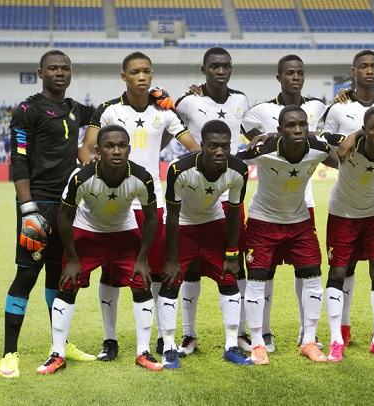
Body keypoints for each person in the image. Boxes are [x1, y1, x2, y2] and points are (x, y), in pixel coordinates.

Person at [78, 51, 200, 361]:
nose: (141, 76)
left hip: (151, 203)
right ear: (124, 76)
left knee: (155, 272)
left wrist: (179, 174)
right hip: (113, 205)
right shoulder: (107, 110)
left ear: (152, 74)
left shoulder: (165, 112)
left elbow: (194, 150)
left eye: (146, 71)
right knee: (110, 274)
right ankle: (110, 340)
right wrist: (93, 175)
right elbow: (85, 150)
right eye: (134, 72)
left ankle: (162, 338)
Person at [0, 49, 95, 379]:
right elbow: (18, 160)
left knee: (60, 276)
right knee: (27, 275)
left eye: (65, 68)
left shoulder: (75, 109)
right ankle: (9, 352)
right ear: (40, 73)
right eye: (53, 68)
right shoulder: (27, 110)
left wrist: (171, 99)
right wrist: (27, 208)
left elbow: (104, 113)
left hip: (68, 206)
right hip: (37, 205)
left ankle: (60, 345)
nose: (60, 72)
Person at [37, 125, 162, 374]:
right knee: (68, 284)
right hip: (87, 233)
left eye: (121, 145)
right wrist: (72, 259)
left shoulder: (142, 177)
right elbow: (64, 217)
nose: (116, 151)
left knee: (141, 283)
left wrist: (142, 258)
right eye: (109, 146)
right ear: (98, 151)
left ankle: (143, 351)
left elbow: (150, 218)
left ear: (129, 148)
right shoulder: (81, 177)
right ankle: (57, 353)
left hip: (124, 233)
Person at [237, 106, 338, 365]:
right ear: (280, 131)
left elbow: (342, 160)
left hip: (299, 223)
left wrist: (321, 136)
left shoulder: (318, 149)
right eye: (290, 125)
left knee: (314, 280)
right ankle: (258, 343)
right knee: (257, 283)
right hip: (262, 224)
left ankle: (309, 341)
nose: (297, 129)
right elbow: (232, 160)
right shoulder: (265, 150)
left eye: (302, 125)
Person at [323, 50, 374, 347]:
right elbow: (326, 150)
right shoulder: (337, 107)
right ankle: (342, 328)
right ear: (353, 71)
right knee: (347, 264)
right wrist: (349, 168)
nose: (369, 71)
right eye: (363, 67)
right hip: (348, 193)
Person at [174, 47, 251, 356]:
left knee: (236, 264)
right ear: (203, 69)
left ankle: (240, 332)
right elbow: (168, 125)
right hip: (195, 190)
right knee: (191, 266)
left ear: (231, 69)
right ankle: (189, 335)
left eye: (225, 66)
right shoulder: (189, 101)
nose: (221, 71)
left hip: (229, 188)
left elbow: (249, 128)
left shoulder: (241, 100)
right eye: (214, 66)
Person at [159, 120, 252, 369]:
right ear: (202, 146)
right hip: (182, 227)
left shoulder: (238, 170)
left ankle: (231, 344)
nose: (219, 151)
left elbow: (234, 212)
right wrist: (171, 257)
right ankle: (169, 347)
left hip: (214, 223)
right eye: (213, 146)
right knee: (170, 282)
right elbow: (173, 213)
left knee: (229, 279)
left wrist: (232, 254)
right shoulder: (179, 169)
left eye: (225, 146)